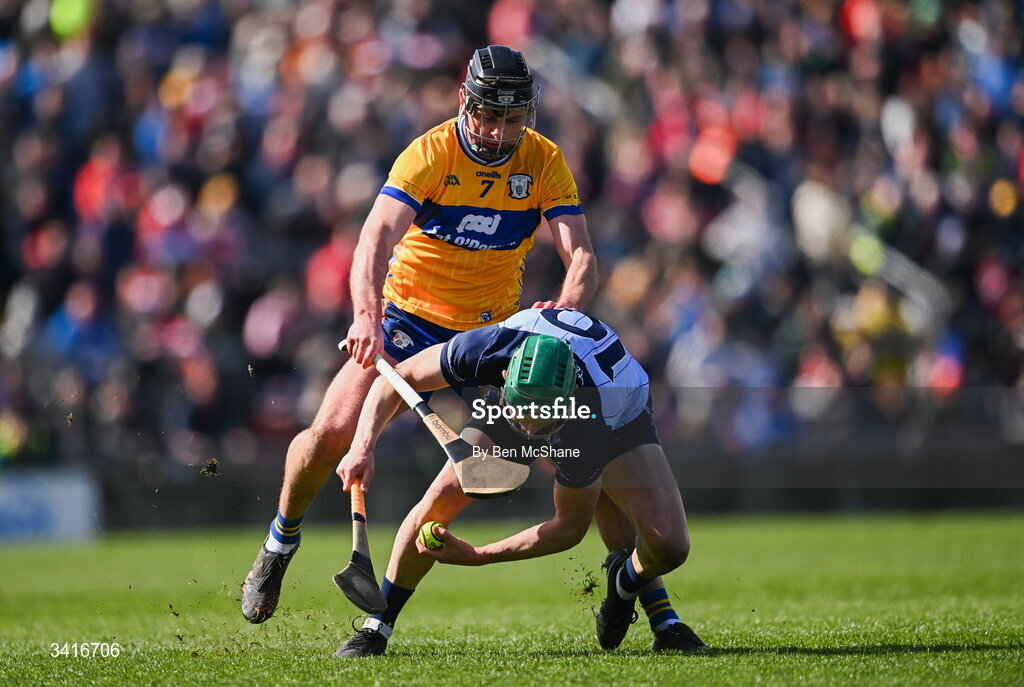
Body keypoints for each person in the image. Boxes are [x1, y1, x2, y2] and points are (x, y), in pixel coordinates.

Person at [241, 46, 597, 623]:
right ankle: (281, 540)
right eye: (489, 115)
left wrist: (563, 325)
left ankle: (637, 584)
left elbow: (579, 253)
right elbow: (375, 239)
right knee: (332, 432)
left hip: (489, 333)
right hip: (407, 317)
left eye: (514, 117)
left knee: (501, 458)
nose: (501, 131)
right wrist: (366, 315)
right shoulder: (429, 154)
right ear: (465, 102)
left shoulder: (544, 160)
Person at [334, 308, 707, 656]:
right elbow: (398, 379)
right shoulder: (490, 348)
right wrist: (362, 446)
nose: (528, 427)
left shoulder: (588, 419)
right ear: (506, 376)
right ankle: (377, 626)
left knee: (669, 546)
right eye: (522, 410)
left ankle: (628, 584)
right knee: (443, 495)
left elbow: (569, 527)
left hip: (620, 416)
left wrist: (478, 557)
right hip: (529, 398)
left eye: (539, 418)